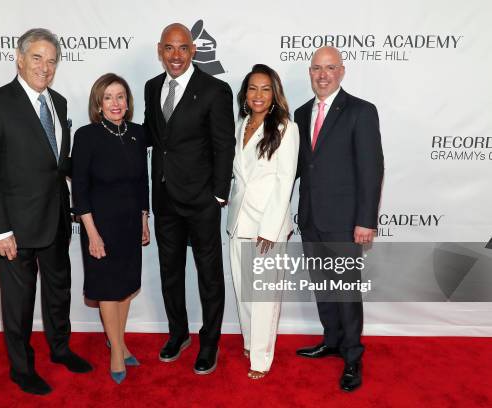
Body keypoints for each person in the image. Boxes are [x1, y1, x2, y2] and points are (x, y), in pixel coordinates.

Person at [0, 28, 92, 395]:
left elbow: (59, 164)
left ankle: (60, 349)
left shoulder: (59, 102)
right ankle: (21, 369)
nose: (45, 67)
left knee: (59, 291)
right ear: (19, 59)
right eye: (37, 58)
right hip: (15, 228)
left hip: (55, 219)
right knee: (19, 303)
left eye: (52, 60)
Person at [143, 23, 235, 375]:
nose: (176, 55)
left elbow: (224, 144)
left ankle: (209, 341)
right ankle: (178, 333)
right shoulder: (153, 87)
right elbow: (154, 137)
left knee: (209, 275)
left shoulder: (214, 90)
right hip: (165, 198)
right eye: (170, 48)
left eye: (183, 48)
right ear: (160, 50)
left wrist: (217, 195)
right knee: (169, 272)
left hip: (201, 201)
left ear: (193, 51)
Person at [293, 46, 384, 391]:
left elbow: (371, 169)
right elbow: (302, 167)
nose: (322, 74)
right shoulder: (301, 114)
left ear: (342, 71)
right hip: (311, 218)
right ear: (310, 72)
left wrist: (366, 220)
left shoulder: (361, 111)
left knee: (346, 290)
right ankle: (331, 340)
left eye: (330, 68)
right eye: (317, 68)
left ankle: (352, 355)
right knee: (324, 286)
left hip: (346, 221)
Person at [71, 73, 150, 384]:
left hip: (130, 222)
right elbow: (80, 189)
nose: (115, 103)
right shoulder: (86, 136)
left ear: (128, 102)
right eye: (108, 97)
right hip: (100, 225)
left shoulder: (138, 133)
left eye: (121, 96)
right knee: (107, 287)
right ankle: (117, 350)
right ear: (98, 104)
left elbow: (143, 180)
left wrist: (144, 218)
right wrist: (91, 232)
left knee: (126, 286)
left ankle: (119, 340)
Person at [226, 64, 299, 379]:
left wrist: (270, 229)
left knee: (264, 297)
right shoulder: (240, 124)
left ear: (275, 94)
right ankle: (249, 341)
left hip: (267, 225)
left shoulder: (285, 128)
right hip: (238, 221)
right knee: (244, 291)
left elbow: (285, 182)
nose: (258, 95)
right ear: (245, 94)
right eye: (253, 88)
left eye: (265, 88)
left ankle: (261, 358)